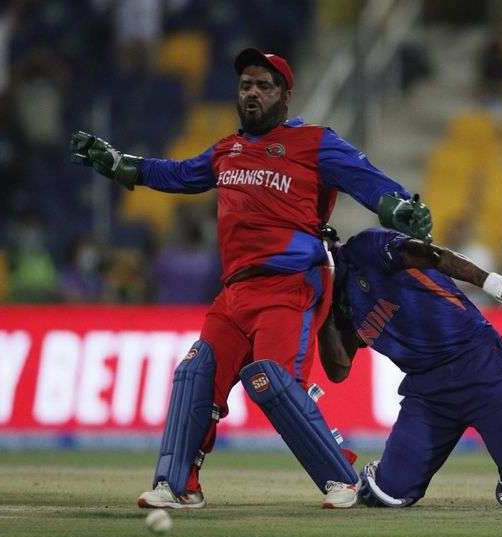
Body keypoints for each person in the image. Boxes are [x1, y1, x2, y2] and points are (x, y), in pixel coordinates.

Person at [70, 48, 433, 509]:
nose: (253, 93)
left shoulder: (314, 142)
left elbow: (366, 180)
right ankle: (178, 485)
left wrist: (398, 205)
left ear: (284, 95)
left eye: (264, 85)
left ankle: (342, 479)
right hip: (235, 290)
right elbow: (180, 174)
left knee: (273, 380)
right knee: (196, 374)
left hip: (291, 283)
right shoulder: (227, 150)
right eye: (246, 86)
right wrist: (121, 164)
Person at [318, 225, 502, 509]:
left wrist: (492, 283)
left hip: (480, 364)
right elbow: (338, 371)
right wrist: (323, 309)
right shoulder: (335, 305)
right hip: (427, 391)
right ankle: (388, 471)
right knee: (387, 493)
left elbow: (431, 254)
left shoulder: (365, 248)